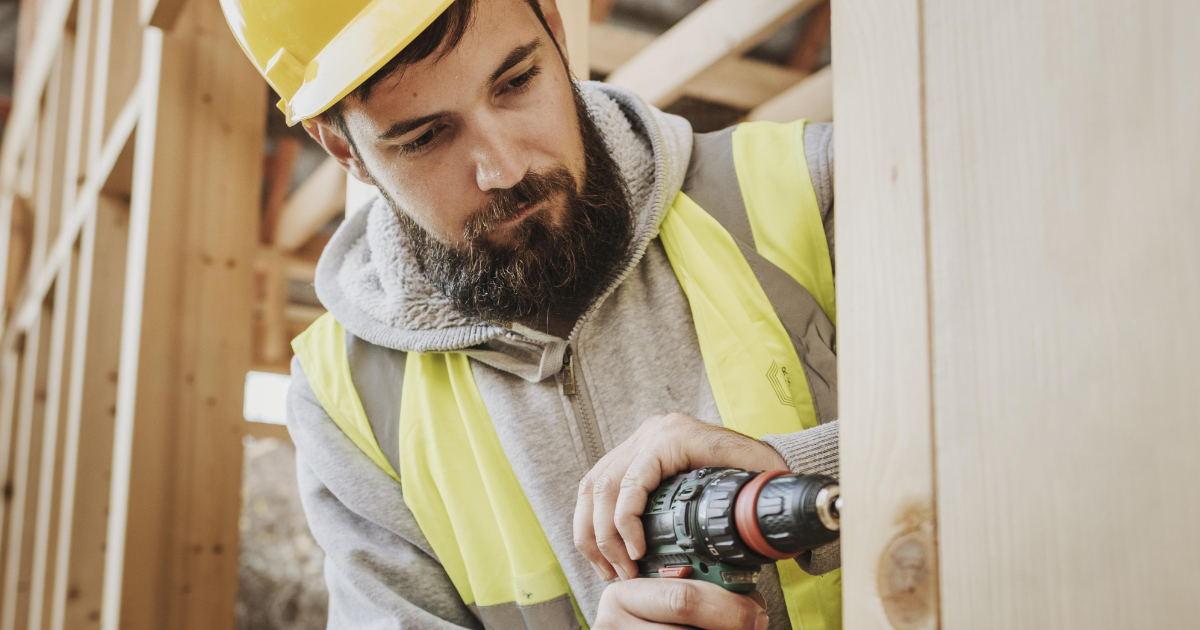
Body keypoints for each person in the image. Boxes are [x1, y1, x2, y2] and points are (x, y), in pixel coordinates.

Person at [220, 0, 840, 628]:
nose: (505, 168)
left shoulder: (808, 185)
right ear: (343, 150)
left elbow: (948, 438)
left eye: (516, 83)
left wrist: (803, 479)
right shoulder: (346, 398)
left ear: (555, 26)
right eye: (425, 137)